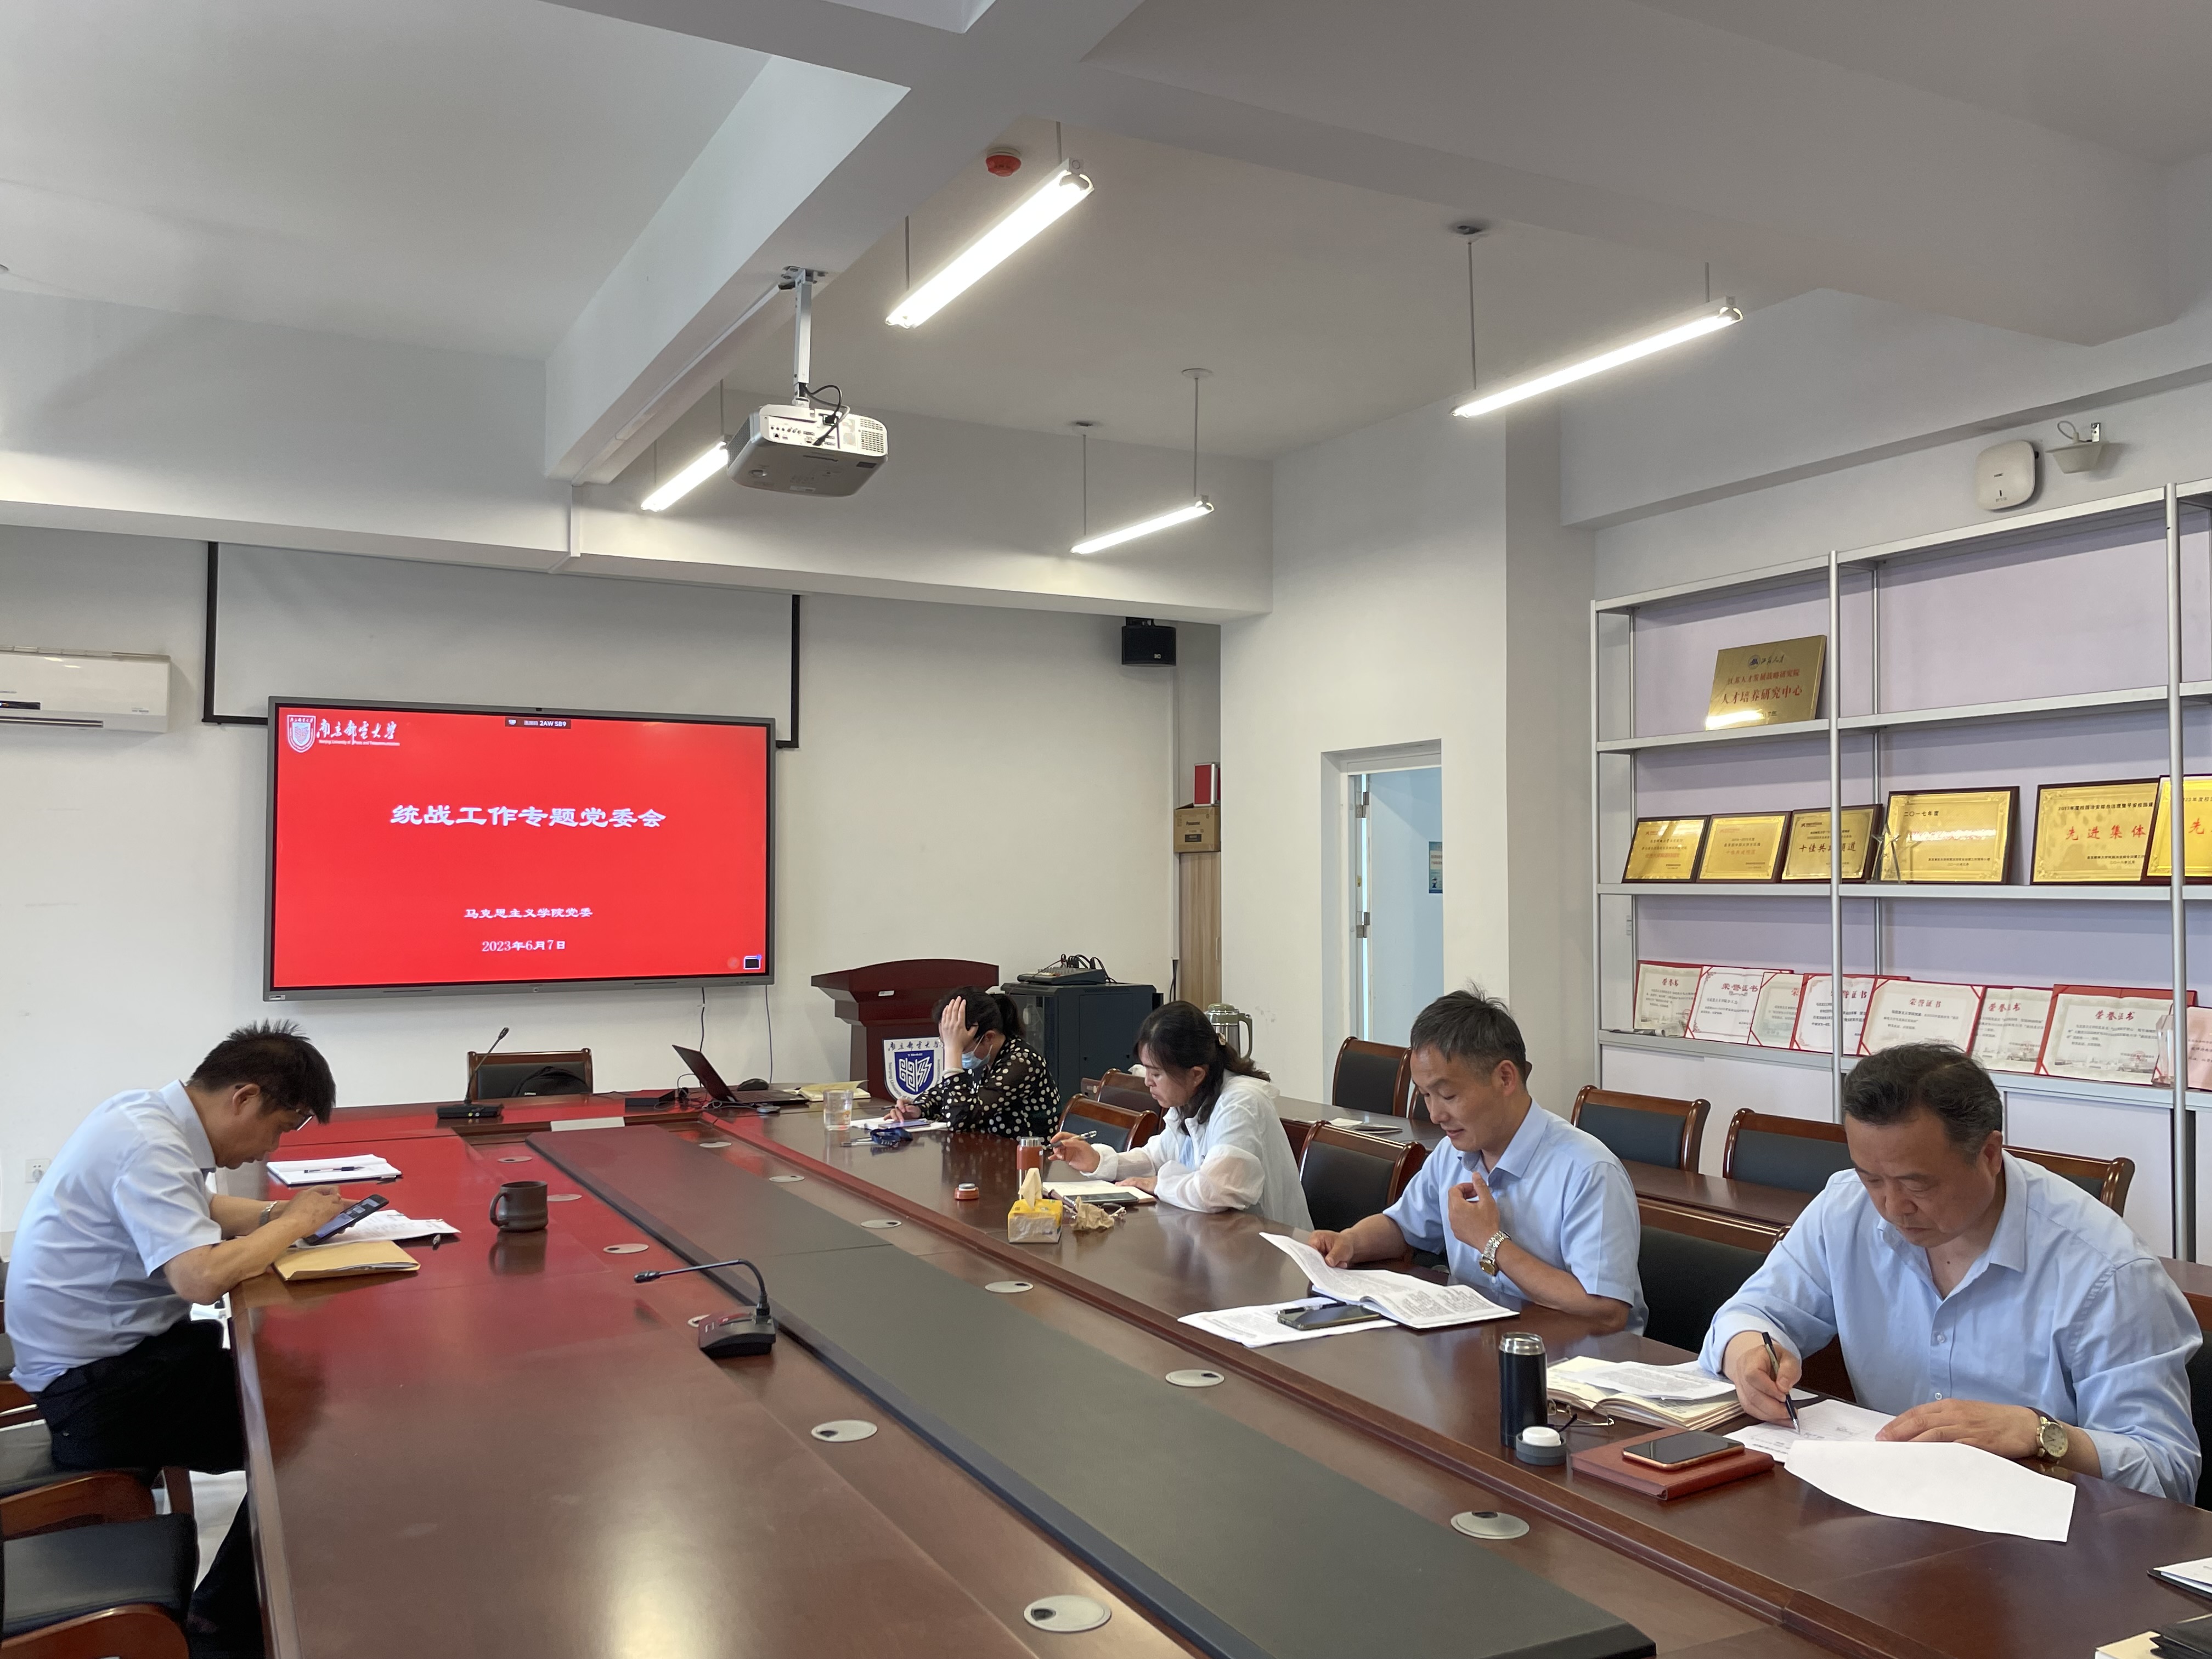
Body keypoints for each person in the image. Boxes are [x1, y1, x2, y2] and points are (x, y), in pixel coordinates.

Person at [1703, 1042, 2200, 1503]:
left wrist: (2039, 1433)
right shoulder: (1845, 1209)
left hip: (2039, 1532)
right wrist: (1748, 1353)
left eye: (1917, 1184)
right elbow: (1754, 1312)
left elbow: (2167, 1470)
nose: (1892, 1207)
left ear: (1989, 1154)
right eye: (1871, 1178)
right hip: (1890, 1506)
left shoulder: (2107, 1271)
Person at [6, 1024, 354, 1659]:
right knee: (315, 1444)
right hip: (97, 1395)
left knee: (290, 1401)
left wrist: (282, 1217)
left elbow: (203, 1212)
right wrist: (292, 1225)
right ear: (244, 1098)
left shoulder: (143, 1116)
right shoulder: (149, 1144)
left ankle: (231, 1613)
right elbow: (199, 1278)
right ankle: (221, 1628)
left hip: (109, 1366)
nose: (271, 1148)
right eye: (280, 1128)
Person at [1307, 989, 1645, 1333]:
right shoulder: (1451, 1154)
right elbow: (1404, 1227)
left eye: (1448, 1095)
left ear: (1505, 1078)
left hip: (1571, 1356)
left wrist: (1490, 1242)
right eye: (1426, 1095)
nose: (1435, 1114)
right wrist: (1351, 1241)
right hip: (1477, 1342)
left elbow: (1605, 1311)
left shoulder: (1588, 1172)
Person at [1048, 1000, 1312, 1228]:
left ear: (1196, 1074)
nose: (1148, 1082)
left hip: (1270, 1251)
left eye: (1156, 1073)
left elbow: (1216, 1191)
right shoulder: (1191, 1096)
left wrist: (1157, 1184)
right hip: (1222, 1239)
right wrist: (1098, 1161)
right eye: (1146, 1070)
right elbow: (1156, 1157)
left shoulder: (1240, 1103)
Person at [889, 986, 1060, 1138]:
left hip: (1028, 1158)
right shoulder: (982, 1059)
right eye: (946, 1043)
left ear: (988, 1038)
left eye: (961, 1046)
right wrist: (918, 1109)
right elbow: (944, 1094)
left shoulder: (1022, 1062)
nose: (953, 1051)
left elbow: (960, 1119)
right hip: (988, 1152)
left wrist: (954, 1051)